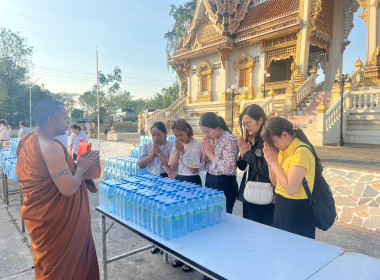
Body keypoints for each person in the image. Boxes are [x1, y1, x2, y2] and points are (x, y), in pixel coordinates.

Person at [15, 99, 100, 279]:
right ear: (51, 119)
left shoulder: (28, 140)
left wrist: (76, 165)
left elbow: (51, 174)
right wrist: (82, 166)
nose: (67, 122)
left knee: (51, 267)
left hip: (47, 220)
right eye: (64, 118)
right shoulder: (50, 147)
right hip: (59, 224)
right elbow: (68, 188)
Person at [261, 116, 319, 239]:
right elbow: (276, 183)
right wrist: (270, 162)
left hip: (297, 210)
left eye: (274, 142)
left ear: (285, 135)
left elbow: (291, 189)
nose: (275, 146)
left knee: (297, 252)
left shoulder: (300, 151)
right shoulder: (283, 151)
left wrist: (275, 163)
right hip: (282, 207)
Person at [169, 118, 202, 273]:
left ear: (187, 130)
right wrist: (176, 150)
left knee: (191, 220)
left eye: (180, 134)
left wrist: (182, 152)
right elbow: (172, 167)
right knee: (180, 219)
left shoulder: (197, 145)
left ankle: (192, 257)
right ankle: (181, 254)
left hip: (192, 181)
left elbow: (194, 169)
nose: (179, 138)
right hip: (179, 180)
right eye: (176, 135)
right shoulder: (177, 144)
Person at [138, 121, 173, 254]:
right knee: (154, 212)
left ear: (165, 133)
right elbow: (141, 165)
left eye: (158, 135)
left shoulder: (172, 146)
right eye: (153, 135)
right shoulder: (147, 146)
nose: (155, 138)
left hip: (166, 180)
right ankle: (156, 242)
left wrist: (159, 153)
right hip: (152, 180)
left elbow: (171, 165)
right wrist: (152, 153)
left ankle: (167, 244)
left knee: (167, 212)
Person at [236, 104, 274, 225]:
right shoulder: (251, 138)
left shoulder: (268, 141)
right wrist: (242, 154)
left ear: (260, 120)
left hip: (262, 193)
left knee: (259, 233)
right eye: (244, 124)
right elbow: (242, 167)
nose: (246, 127)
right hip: (248, 191)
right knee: (248, 229)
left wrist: (247, 154)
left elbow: (266, 169)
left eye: (249, 123)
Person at [199, 112, 239, 214]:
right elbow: (204, 167)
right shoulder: (212, 140)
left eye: (207, 132)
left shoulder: (230, 140)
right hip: (210, 181)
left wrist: (210, 154)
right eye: (204, 132)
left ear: (217, 127)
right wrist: (204, 154)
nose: (206, 136)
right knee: (210, 216)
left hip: (224, 184)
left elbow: (229, 169)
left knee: (222, 218)